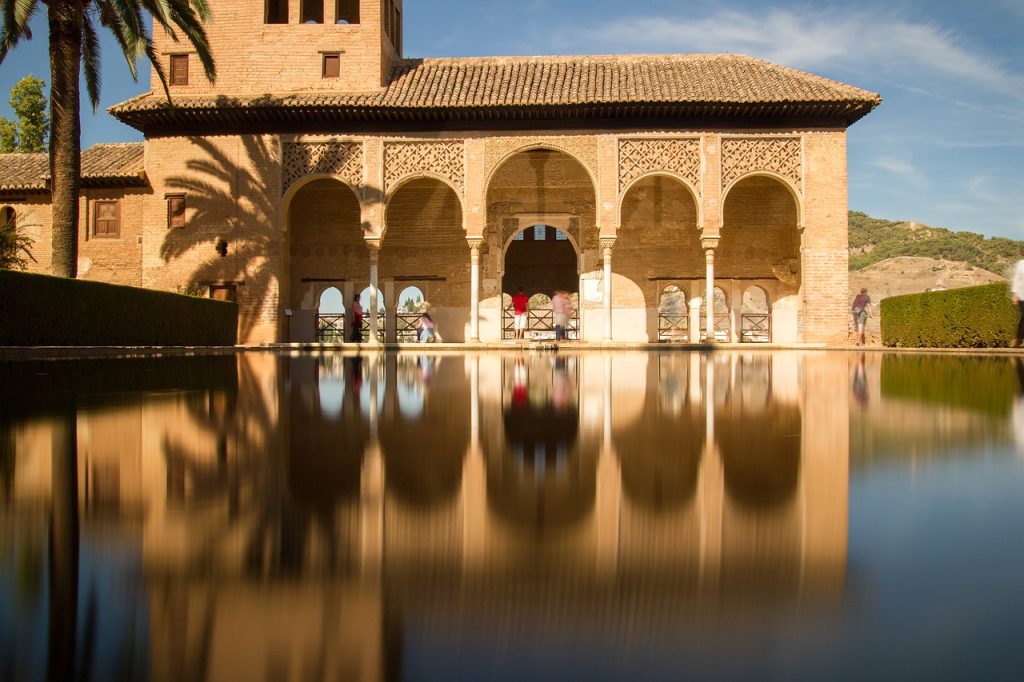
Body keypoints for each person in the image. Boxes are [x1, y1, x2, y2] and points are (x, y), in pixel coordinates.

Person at [1011, 258, 1024, 347]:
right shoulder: (1021, 264)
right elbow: (1016, 279)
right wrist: (1015, 293)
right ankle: (1019, 339)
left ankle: (1018, 339)